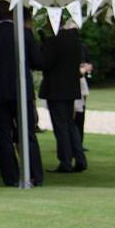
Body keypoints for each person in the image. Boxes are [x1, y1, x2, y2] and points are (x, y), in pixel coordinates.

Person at [0, 1, 44, 187]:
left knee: (3, 136)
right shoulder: (24, 33)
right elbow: (38, 61)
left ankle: (10, 177)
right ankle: (35, 175)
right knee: (27, 133)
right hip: (21, 90)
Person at [39, 19, 88, 173]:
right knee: (70, 124)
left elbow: (44, 63)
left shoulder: (53, 41)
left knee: (61, 126)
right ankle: (80, 158)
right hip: (70, 87)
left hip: (56, 88)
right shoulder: (74, 41)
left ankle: (65, 161)